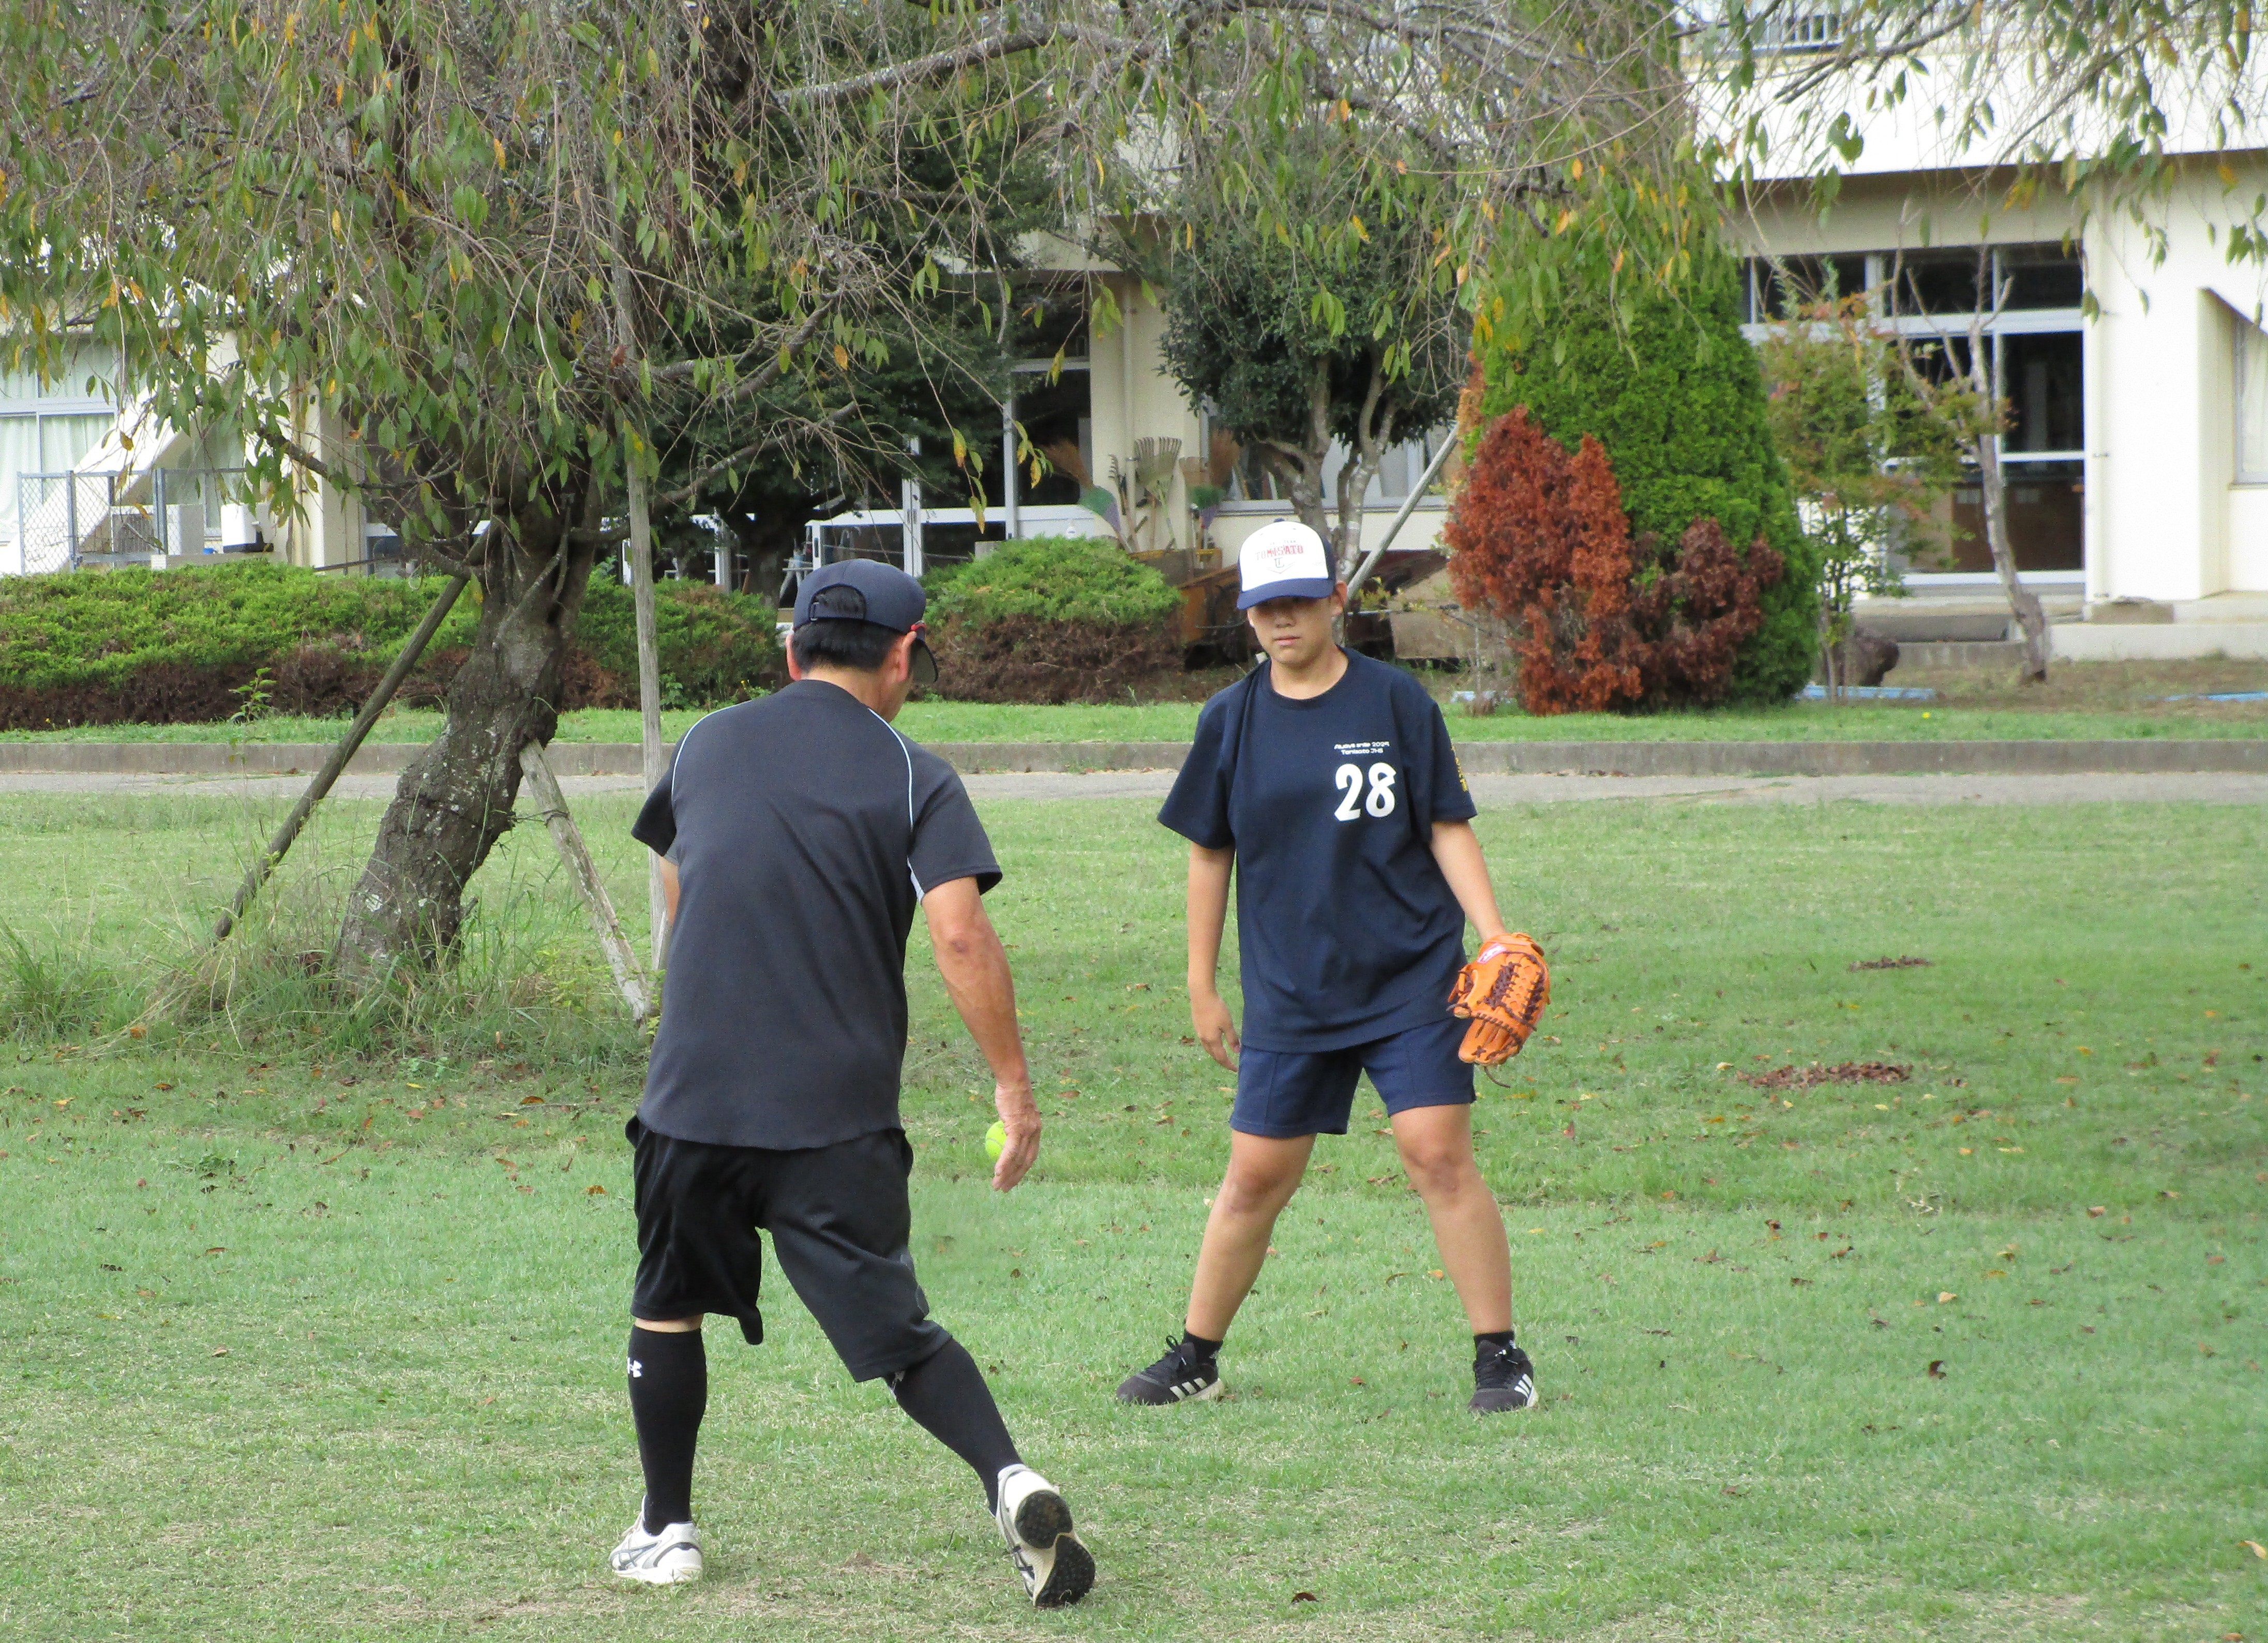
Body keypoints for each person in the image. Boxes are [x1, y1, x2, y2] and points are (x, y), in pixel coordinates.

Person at [610, 558, 1094, 1607]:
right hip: (836, 1114)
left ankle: (666, 1530)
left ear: (792, 650)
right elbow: (959, 936)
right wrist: (1014, 1088)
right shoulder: (915, 772)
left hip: (694, 1099)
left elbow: (680, 884)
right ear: (904, 653)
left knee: (667, 1307)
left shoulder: (704, 742)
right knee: (901, 1337)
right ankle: (1010, 1479)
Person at [1115, 519, 1538, 1416]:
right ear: (1247, 614)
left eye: (1300, 601)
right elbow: (1209, 853)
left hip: (1408, 975)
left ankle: (1500, 1356)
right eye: (1264, 605)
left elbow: (1444, 824)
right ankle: (1196, 1356)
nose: (1282, 619)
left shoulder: (1394, 703)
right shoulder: (1230, 720)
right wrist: (1200, 983)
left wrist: (1494, 936)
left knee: (1436, 1154)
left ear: (1335, 600)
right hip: (1291, 990)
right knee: (1254, 1178)